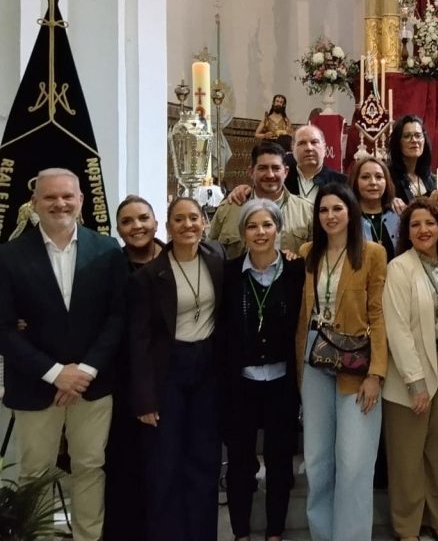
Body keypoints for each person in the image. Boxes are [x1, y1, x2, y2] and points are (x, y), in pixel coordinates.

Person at [0, 168, 128, 541]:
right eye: (50, 197)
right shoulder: (8, 256)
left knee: (90, 466)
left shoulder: (106, 250)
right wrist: (56, 373)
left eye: (67, 196)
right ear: (35, 202)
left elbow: (117, 316)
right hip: (35, 384)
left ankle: (89, 537)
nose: (60, 203)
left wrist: (84, 370)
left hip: (93, 382)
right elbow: (4, 328)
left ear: (81, 201)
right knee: (35, 472)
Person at [131, 196, 226, 541]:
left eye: (194, 218)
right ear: (168, 227)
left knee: (204, 461)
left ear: (204, 222)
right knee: (165, 464)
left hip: (208, 371)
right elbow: (138, 342)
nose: (188, 225)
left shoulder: (217, 259)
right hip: (167, 373)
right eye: (179, 219)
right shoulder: (149, 275)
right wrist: (144, 399)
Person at [297, 183, 388, 541]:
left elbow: (378, 315)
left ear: (350, 212)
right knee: (318, 462)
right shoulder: (307, 253)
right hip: (313, 360)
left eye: (337, 209)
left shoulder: (372, 253)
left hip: (357, 365)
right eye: (323, 210)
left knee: (353, 463)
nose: (330, 216)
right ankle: (322, 534)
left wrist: (376, 373)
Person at [222, 199, 305, 541]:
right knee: (240, 464)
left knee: (280, 462)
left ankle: (274, 532)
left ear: (278, 229)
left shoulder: (297, 271)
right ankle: (241, 533)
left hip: (283, 383)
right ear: (243, 232)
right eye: (252, 226)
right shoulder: (227, 274)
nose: (260, 233)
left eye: (267, 225)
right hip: (240, 385)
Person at [382, 199, 438, 541]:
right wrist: (415, 382)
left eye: (429, 223)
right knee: (407, 456)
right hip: (409, 371)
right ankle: (407, 527)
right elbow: (397, 328)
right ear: (406, 232)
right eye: (415, 225)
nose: (423, 230)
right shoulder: (399, 268)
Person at [105, 195, 163, 541]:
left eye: (143, 218)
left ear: (156, 223)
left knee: (162, 464)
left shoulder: (177, 260)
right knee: (124, 465)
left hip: (169, 380)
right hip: (121, 381)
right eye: (127, 221)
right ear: (118, 229)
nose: (136, 226)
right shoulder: (109, 267)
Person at [209, 142, 313, 257]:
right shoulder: (228, 209)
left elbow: (318, 258)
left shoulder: (306, 212)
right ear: (251, 172)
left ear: (286, 172)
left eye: (276, 168)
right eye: (263, 168)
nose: (270, 175)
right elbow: (211, 254)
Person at [227, 124, 347, 206]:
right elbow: (259, 191)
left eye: (314, 142)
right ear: (292, 148)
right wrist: (243, 190)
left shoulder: (342, 183)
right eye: (302, 143)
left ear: (325, 147)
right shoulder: (278, 177)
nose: (309, 148)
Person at [350, 155, 401, 260]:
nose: (373, 182)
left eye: (379, 177)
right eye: (365, 177)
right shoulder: (348, 218)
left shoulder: (398, 214)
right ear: (355, 182)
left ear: (386, 181)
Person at [389, 114, 438, 209]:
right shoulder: (388, 178)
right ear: (398, 142)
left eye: (418, 135)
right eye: (407, 136)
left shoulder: (431, 179)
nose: (414, 140)